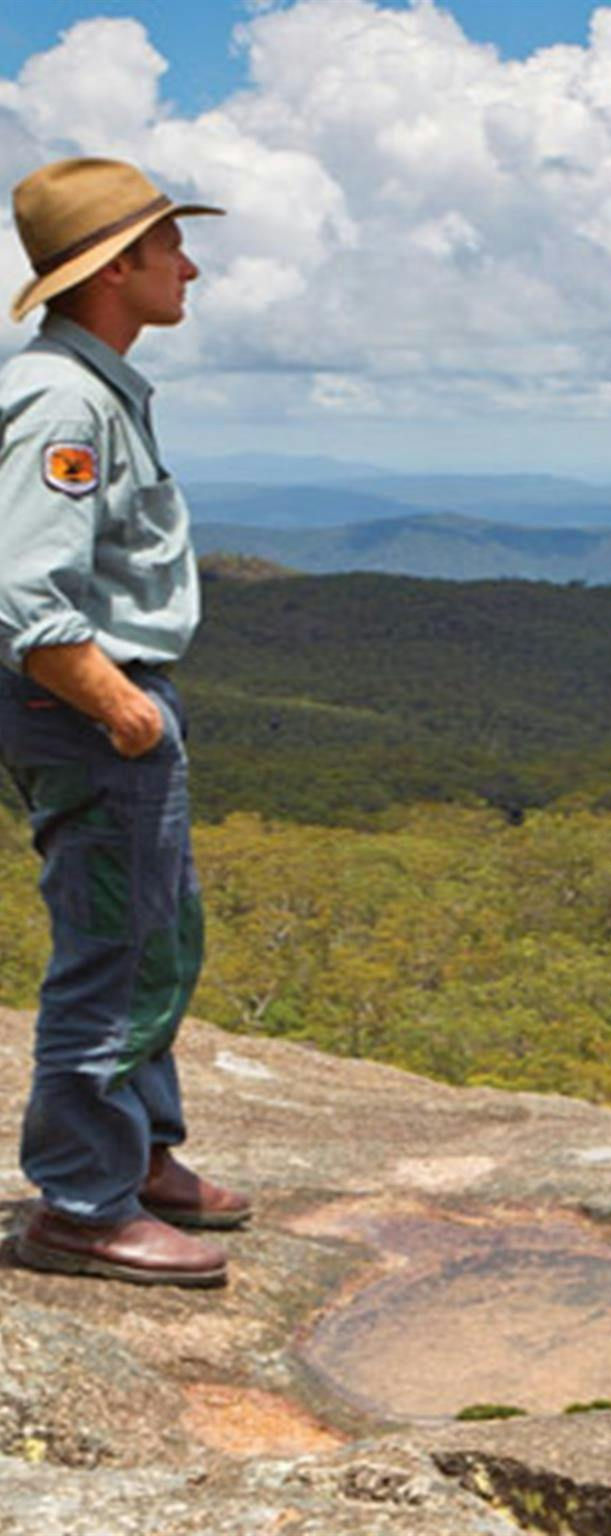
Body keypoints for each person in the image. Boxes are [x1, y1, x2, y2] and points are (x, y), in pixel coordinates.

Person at [0, 157, 247, 1287]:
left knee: (159, 931)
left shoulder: (93, 388)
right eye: (166, 247)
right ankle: (81, 1204)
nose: (187, 265)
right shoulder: (64, 399)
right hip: (90, 708)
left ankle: (138, 1151)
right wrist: (123, 713)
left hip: (109, 705)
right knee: (113, 946)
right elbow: (29, 595)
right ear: (112, 271)